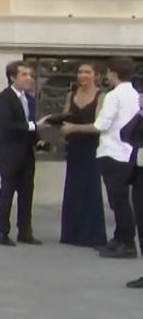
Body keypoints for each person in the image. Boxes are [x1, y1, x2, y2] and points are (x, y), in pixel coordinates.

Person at [61, 58, 138, 258]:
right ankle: (120, 238)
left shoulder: (113, 96)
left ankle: (127, 242)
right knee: (120, 199)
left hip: (111, 152)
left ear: (112, 73)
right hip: (128, 152)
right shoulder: (135, 95)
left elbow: (100, 125)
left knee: (118, 201)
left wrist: (72, 128)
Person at [0, 61, 45, 247]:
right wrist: (34, 126)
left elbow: (30, 124)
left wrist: (38, 139)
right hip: (8, 152)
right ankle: (1, 232)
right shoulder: (3, 98)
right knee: (7, 192)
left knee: (26, 193)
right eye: (24, 75)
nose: (29, 78)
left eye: (31, 75)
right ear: (13, 77)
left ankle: (25, 231)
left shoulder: (29, 99)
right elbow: (6, 126)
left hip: (26, 153)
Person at [56, 62, 107, 247]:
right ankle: (71, 234)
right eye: (80, 72)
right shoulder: (71, 95)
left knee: (90, 189)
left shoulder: (102, 96)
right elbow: (65, 118)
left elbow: (99, 126)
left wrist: (73, 128)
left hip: (92, 146)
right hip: (74, 146)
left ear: (96, 75)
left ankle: (92, 235)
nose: (83, 75)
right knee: (73, 189)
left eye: (87, 72)